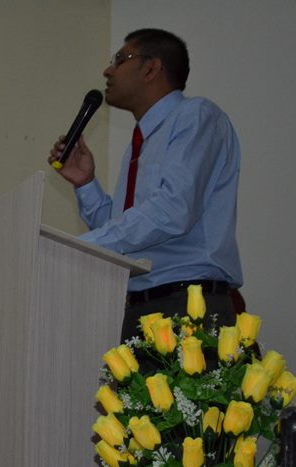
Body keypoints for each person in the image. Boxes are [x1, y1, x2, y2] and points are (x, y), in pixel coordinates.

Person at [48, 28, 243, 342]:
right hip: (139, 306)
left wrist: (80, 247)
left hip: (188, 305)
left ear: (151, 68)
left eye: (120, 59)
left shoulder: (195, 116)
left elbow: (172, 211)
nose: (107, 70)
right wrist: (86, 184)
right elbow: (129, 235)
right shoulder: (141, 143)